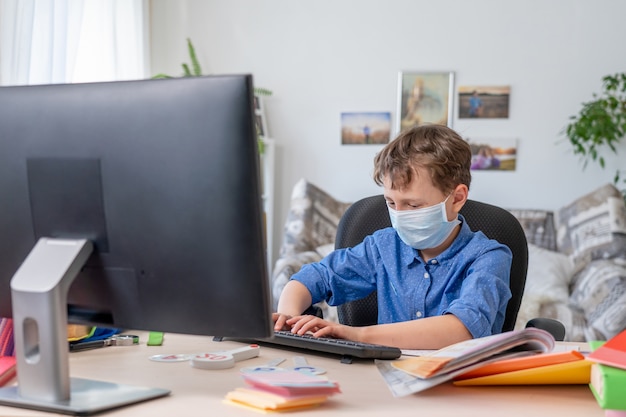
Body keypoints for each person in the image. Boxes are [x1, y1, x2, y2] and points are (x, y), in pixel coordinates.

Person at [273, 124, 512, 350]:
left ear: (457, 198)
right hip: (384, 378)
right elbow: (314, 277)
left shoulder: (489, 257)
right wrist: (288, 318)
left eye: (414, 205)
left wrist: (357, 335)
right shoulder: (384, 246)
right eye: (391, 203)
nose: (399, 215)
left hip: (460, 386)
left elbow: (461, 330)